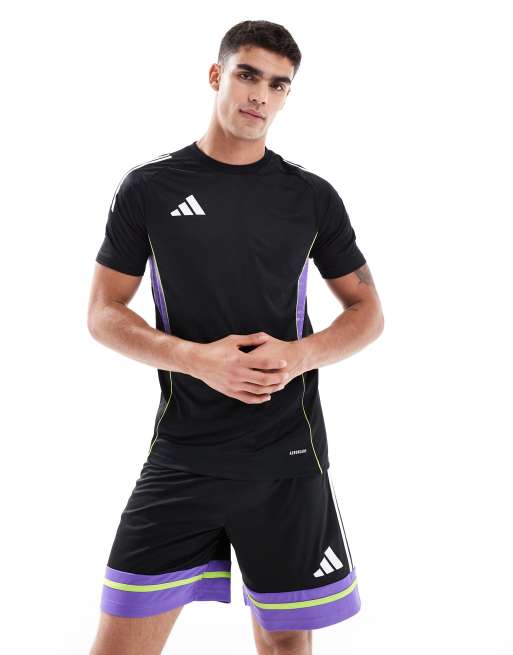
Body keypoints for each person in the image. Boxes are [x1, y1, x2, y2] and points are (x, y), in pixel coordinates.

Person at [87, 19, 384, 655]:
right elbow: (104, 311)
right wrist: (196, 360)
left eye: (278, 84)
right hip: (184, 454)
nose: (260, 95)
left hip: (287, 459)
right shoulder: (150, 188)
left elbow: (367, 310)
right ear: (217, 75)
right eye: (248, 75)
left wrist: (299, 355)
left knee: (284, 644)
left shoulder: (311, 197)